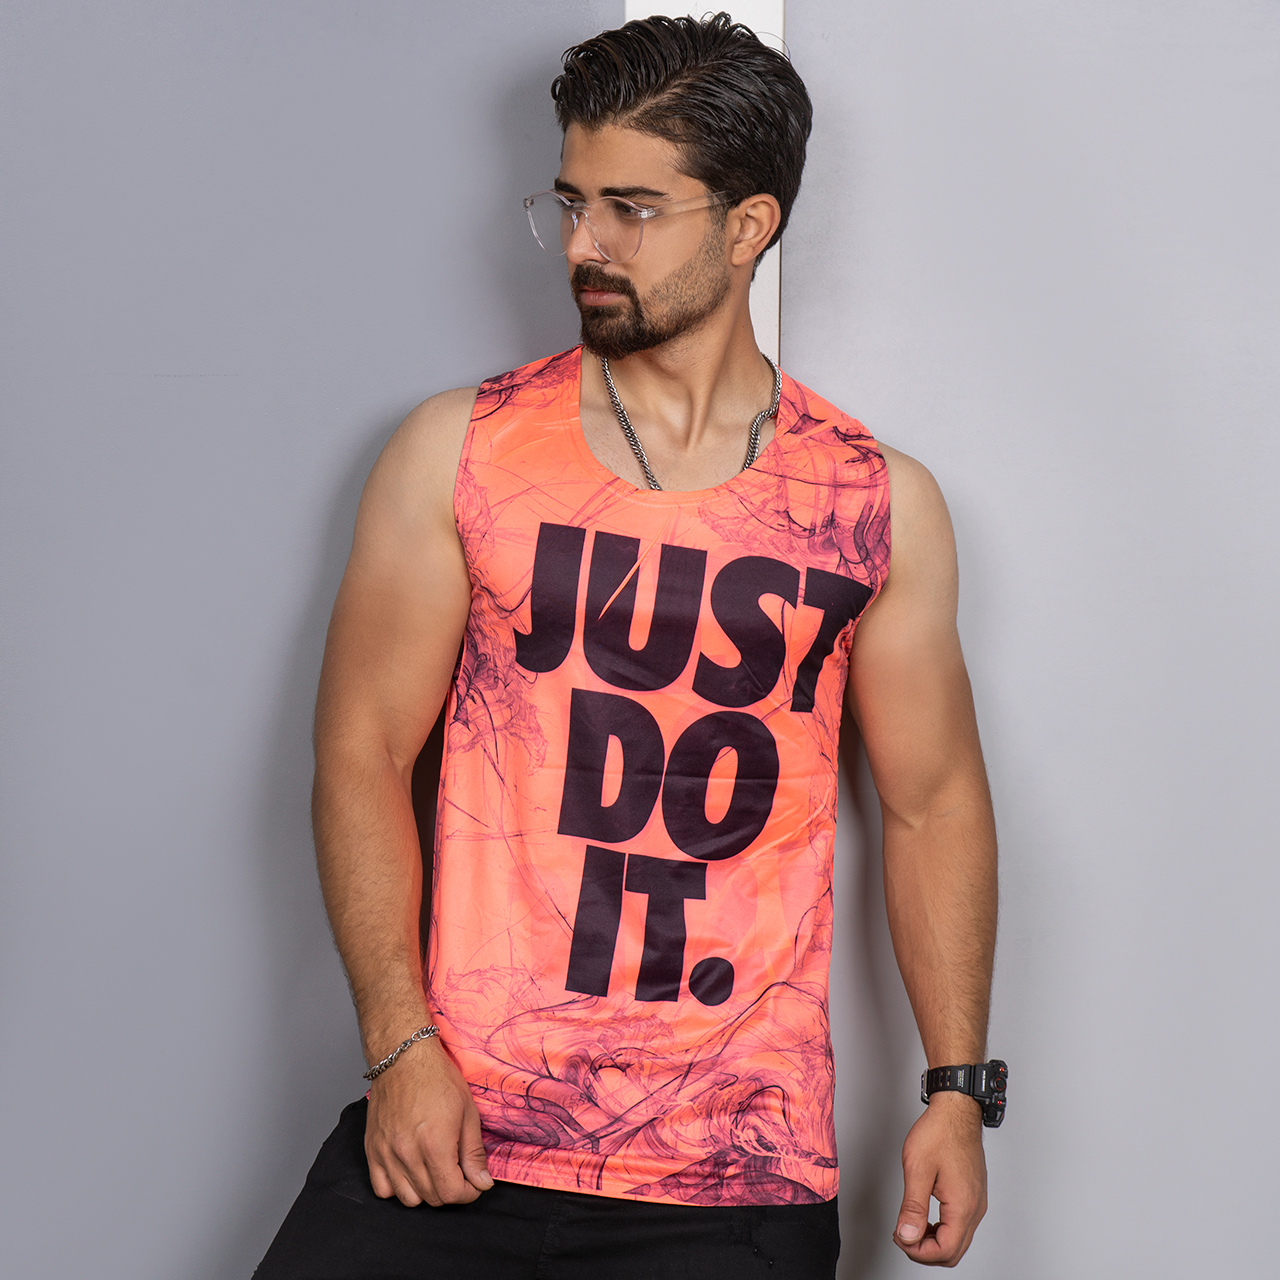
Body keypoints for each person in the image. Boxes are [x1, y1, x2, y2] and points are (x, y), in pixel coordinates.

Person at [255, 13, 998, 1278]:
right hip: (456, 1126)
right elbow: (362, 752)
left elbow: (930, 803)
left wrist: (955, 1089)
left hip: (734, 1172)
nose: (582, 246)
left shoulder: (872, 502)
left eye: (631, 209)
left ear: (747, 225)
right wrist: (398, 1046)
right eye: (570, 203)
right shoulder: (459, 450)